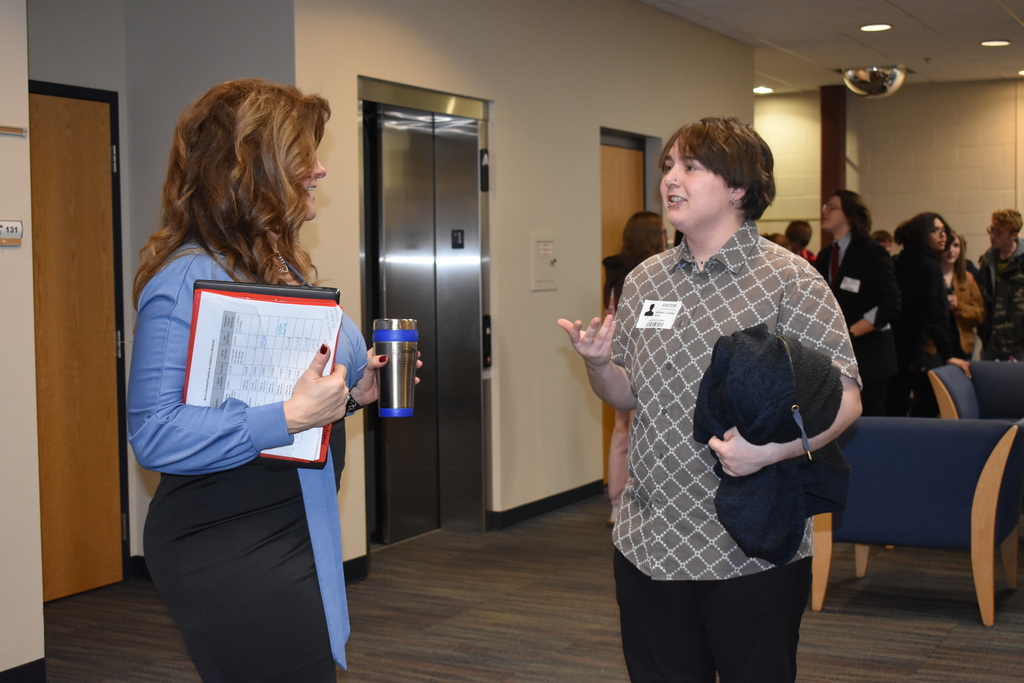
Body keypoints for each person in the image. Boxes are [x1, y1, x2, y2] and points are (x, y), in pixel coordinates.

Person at [558, 117, 862, 682]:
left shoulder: (790, 281)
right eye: (667, 166)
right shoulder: (646, 280)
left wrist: (770, 454)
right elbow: (628, 392)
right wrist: (600, 366)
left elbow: (846, 400)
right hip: (648, 543)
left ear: (738, 186)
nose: (671, 179)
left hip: (746, 545)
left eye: (690, 167)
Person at [127, 79, 404, 682]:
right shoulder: (185, 278)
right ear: (253, 166)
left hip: (293, 520)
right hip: (224, 535)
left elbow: (310, 385)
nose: (321, 169)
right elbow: (154, 433)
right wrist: (286, 417)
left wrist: (352, 396)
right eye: (305, 154)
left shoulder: (277, 265)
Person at [601, 210, 666, 527]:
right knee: (645, 431)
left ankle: (616, 504)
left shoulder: (614, 270)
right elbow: (654, 323)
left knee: (621, 430)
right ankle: (642, 500)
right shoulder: (651, 274)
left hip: (614, 357)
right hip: (644, 360)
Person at [815, 190, 901, 416]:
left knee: (870, 429)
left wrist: (850, 333)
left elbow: (890, 304)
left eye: (832, 207)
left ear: (850, 216)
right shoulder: (824, 256)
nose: (825, 211)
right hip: (836, 361)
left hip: (870, 360)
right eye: (825, 206)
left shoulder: (872, 252)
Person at [886, 212, 971, 417]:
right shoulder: (929, 266)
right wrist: (948, 354)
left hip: (895, 348)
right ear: (921, 234)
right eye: (935, 231)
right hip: (914, 349)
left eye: (944, 231)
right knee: (934, 401)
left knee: (895, 406)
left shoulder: (900, 261)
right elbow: (936, 314)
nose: (942, 236)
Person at [978, 208, 1024, 360]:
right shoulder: (986, 260)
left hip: (1019, 343)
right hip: (991, 341)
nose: (992, 236)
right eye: (991, 230)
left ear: (1014, 235)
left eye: (999, 232)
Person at [940, 229, 985, 359]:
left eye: (956, 245)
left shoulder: (967, 278)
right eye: (947, 246)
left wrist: (957, 306)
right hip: (934, 347)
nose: (951, 251)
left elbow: (979, 315)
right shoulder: (930, 277)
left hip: (962, 346)